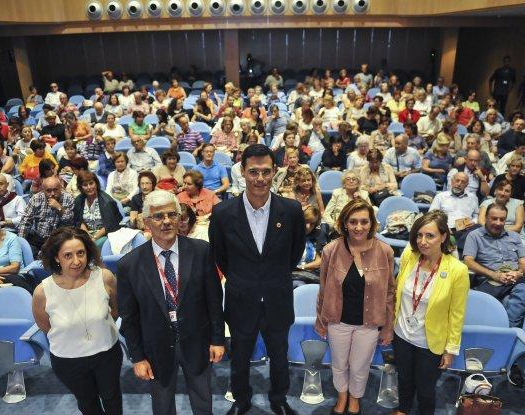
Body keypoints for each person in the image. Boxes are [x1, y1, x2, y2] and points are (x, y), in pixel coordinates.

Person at [209, 144, 305, 415]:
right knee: (239, 357)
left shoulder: (292, 210)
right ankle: (241, 400)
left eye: (265, 172)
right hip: (241, 299)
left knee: (279, 357)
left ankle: (279, 399)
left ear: (275, 172)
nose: (260, 178)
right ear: (242, 172)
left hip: (278, 296)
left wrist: (270, 278)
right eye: (253, 172)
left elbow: (294, 254)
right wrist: (245, 280)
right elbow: (220, 257)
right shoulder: (223, 213)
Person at [117, 190, 225, 415]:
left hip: (198, 341)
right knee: (163, 406)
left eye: (171, 215)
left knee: (203, 403)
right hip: (155, 347)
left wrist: (217, 339)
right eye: (158, 216)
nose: (166, 221)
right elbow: (129, 317)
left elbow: (214, 300)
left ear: (179, 218)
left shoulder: (201, 251)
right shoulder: (129, 264)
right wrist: (137, 357)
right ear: (146, 222)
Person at [315, 199, 395, 414]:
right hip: (337, 320)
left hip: (368, 324)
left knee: (360, 367)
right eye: (353, 222)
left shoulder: (385, 251)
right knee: (339, 364)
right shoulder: (331, 250)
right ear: (344, 224)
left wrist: (388, 327)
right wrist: (320, 321)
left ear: (372, 224)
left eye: (364, 222)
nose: (358, 227)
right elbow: (323, 288)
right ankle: (342, 397)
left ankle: (355, 398)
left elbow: (389, 292)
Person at [32, 227, 122, 415]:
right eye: (68, 255)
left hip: (106, 353)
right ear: (56, 258)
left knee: (112, 399)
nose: (76, 261)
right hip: (68, 360)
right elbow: (46, 327)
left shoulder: (104, 277)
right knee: (88, 405)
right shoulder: (42, 291)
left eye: (80, 253)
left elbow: (115, 311)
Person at [392, 210, 469, 415]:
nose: (423, 241)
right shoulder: (410, 256)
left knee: (426, 390)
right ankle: (403, 410)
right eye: (419, 235)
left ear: (443, 237)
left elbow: (457, 314)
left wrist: (451, 349)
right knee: (404, 380)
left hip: (429, 341)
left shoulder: (457, 270)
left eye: (430, 235)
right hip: (401, 334)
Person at [464, 204, 525, 327]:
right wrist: (493, 275)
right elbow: (468, 261)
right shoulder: (474, 236)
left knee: (524, 290)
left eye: (502, 219)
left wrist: (518, 273)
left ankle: (508, 330)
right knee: (505, 302)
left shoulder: (515, 237)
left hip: (515, 280)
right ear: (485, 218)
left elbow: (524, 263)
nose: (498, 223)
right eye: (494, 218)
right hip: (489, 281)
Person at [18, 176, 75, 255]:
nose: (52, 194)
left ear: (61, 187)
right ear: (43, 190)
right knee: (25, 249)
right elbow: (25, 222)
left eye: (55, 190)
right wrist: (21, 244)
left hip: (59, 238)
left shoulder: (68, 198)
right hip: (39, 237)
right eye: (48, 191)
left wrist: (59, 207)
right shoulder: (36, 199)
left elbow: (70, 221)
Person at [73, 171, 122, 250]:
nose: (89, 187)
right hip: (86, 234)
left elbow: (110, 225)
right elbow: (79, 221)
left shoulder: (107, 201)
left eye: (91, 183)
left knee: (92, 246)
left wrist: (94, 238)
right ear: (80, 187)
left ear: (96, 183)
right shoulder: (79, 200)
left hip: (105, 235)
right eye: (85, 185)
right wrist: (87, 235)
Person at [429, 172, 479, 249]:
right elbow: (431, 215)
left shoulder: (473, 198)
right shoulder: (440, 197)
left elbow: (476, 215)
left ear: (467, 185)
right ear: (452, 181)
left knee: (479, 228)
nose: (459, 184)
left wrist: (474, 222)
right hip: (446, 230)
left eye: (463, 182)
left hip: (466, 231)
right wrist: (443, 227)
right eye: (457, 180)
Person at [479, 179, 525, 246]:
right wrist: (494, 231)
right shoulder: (486, 203)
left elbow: (518, 227)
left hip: (513, 235)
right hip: (490, 234)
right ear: (495, 191)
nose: (503, 193)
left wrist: (499, 231)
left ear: (510, 194)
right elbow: (481, 222)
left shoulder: (518, 204)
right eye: (500, 189)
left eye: (507, 191)